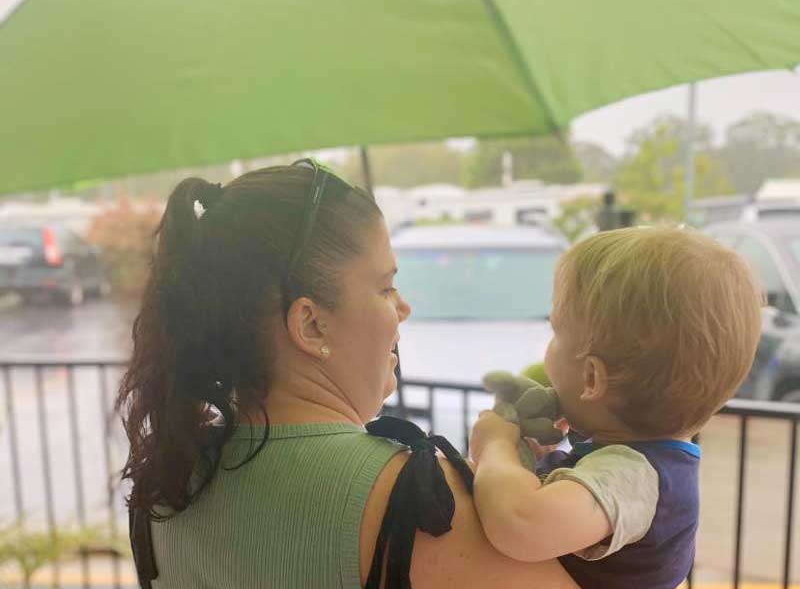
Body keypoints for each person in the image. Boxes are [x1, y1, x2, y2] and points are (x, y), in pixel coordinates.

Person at [116, 160, 578, 589]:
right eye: (386, 287)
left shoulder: (165, 486)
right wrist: (496, 451)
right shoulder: (419, 503)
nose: (403, 308)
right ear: (310, 324)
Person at [469, 226, 762, 589]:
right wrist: (533, 460)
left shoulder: (631, 475)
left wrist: (495, 448)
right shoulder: (635, 463)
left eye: (556, 332)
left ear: (592, 378)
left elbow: (521, 521)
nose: (547, 349)